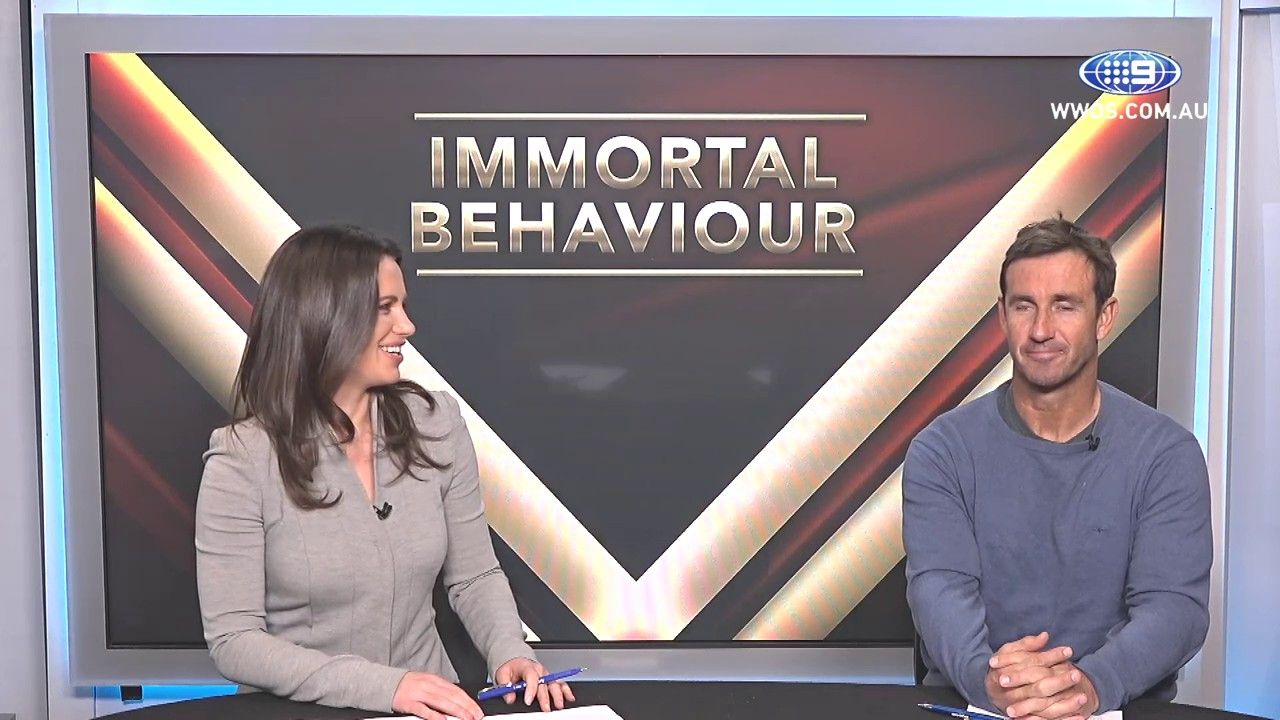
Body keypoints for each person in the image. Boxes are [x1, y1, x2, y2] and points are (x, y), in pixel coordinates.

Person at [196, 225, 574, 720]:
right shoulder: (242, 458)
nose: (407, 326)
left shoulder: (436, 422)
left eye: (403, 306)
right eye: (385, 308)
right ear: (325, 315)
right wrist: (386, 687)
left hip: (434, 709)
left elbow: (474, 575)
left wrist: (510, 651)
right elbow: (235, 640)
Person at [903, 216, 1211, 719]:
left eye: (1064, 306)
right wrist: (992, 681)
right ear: (1002, 316)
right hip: (976, 705)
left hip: (1115, 707)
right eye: (1024, 306)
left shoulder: (1166, 454)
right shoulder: (942, 450)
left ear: (1104, 317)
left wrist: (1087, 686)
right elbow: (939, 589)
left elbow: (1174, 608)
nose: (1041, 330)